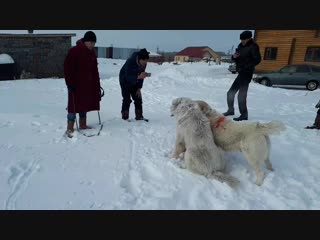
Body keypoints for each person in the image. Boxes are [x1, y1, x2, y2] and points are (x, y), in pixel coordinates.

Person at [64, 31, 101, 137]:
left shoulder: (92, 53)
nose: (93, 45)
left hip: (87, 84)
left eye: (94, 43)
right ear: (86, 41)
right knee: (73, 106)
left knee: (84, 103)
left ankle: (83, 124)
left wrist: (97, 84)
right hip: (75, 85)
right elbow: (67, 69)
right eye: (91, 42)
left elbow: (95, 70)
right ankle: (70, 127)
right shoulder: (74, 51)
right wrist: (69, 84)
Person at [223, 30, 261, 121]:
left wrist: (246, 66)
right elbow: (237, 58)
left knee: (241, 95)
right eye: (241, 39)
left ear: (249, 38)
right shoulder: (240, 46)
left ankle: (244, 115)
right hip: (240, 73)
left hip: (247, 73)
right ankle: (231, 110)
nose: (242, 41)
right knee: (230, 93)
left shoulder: (253, 46)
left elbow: (257, 60)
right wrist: (234, 57)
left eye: (244, 39)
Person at [119, 48, 151, 121]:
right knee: (127, 99)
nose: (145, 63)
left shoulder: (144, 64)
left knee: (138, 97)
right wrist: (138, 76)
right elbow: (127, 76)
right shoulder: (130, 61)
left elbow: (142, 76)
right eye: (144, 61)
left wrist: (139, 88)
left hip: (135, 80)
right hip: (124, 80)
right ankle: (125, 118)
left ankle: (139, 116)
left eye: (146, 61)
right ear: (139, 59)